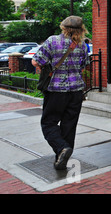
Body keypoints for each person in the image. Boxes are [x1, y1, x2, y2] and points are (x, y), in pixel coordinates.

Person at [32, 16, 90, 170]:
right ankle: (62, 158)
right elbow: (84, 66)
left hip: (56, 91)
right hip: (76, 91)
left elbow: (36, 61)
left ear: (63, 27)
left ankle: (62, 149)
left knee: (48, 123)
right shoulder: (83, 45)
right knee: (69, 125)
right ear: (81, 29)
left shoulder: (52, 41)